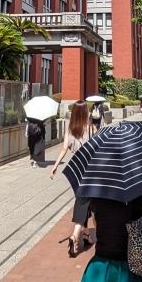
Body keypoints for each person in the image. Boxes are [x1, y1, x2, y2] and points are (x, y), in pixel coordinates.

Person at [50, 101, 94, 256]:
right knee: (84, 200)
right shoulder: (90, 127)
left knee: (84, 199)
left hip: (76, 167)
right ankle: (75, 234)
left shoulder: (70, 128)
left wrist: (55, 165)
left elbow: (64, 148)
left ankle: (86, 234)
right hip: (89, 167)